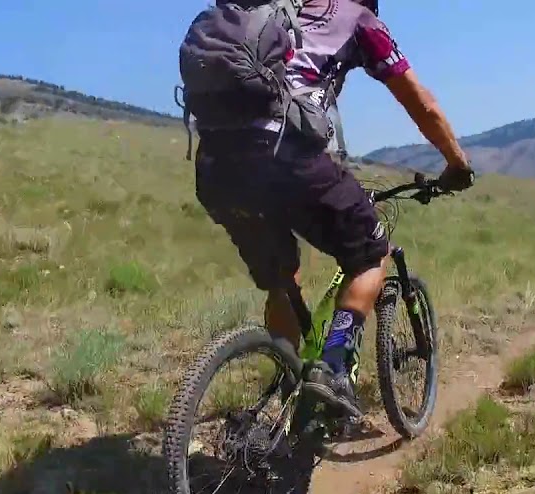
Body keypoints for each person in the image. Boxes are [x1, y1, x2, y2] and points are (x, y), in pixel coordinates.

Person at [191, 0, 475, 418]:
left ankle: (286, 394)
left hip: (216, 167)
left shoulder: (271, 13)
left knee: (282, 280)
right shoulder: (359, 18)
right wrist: (457, 163)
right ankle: (334, 368)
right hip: (286, 154)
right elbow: (420, 103)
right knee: (371, 253)